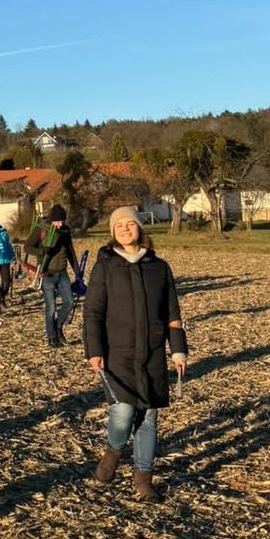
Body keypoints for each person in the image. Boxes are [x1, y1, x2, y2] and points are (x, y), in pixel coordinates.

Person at [84, 206, 187, 503]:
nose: (126, 229)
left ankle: (143, 479)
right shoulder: (105, 265)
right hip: (117, 354)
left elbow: (173, 313)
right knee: (123, 412)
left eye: (131, 224)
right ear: (113, 232)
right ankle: (112, 455)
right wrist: (94, 350)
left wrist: (178, 349)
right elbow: (93, 312)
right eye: (119, 226)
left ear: (140, 228)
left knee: (149, 416)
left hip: (153, 354)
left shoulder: (159, 267)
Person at [24, 204, 83, 347]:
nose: (60, 224)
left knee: (69, 302)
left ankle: (58, 327)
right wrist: (42, 251)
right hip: (47, 273)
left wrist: (77, 272)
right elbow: (27, 247)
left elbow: (70, 251)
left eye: (62, 221)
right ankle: (52, 337)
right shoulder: (41, 229)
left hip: (62, 273)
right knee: (51, 307)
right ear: (51, 220)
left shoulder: (65, 231)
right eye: (57, 221)